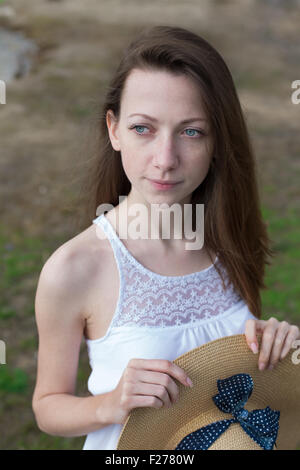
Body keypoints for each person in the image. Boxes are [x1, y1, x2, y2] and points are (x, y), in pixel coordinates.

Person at [31, 25, 300, 450]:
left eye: (191, 131)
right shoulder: (75, 269)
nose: (165, 160)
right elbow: (48, 405)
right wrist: (111, 403)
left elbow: (230, 381)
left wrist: (275, 351)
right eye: (143, 129)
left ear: (217, 142)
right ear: (114, 129)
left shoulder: (226, 238)